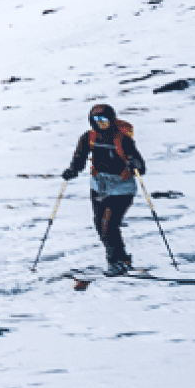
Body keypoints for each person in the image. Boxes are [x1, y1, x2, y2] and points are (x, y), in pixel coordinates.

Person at [60, 102, 150, 273]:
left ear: (111, 120)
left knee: (108, 225)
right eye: (96, 120)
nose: (101, 123)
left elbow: (141, 166)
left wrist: (135, 164)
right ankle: (122, 259)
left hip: (122, 187)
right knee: (100, 225)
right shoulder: (88, 137)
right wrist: (73, 171)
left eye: (104, 119)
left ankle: (116, 262)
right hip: (99, 185)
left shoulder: (122, 139)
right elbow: (79, 158)